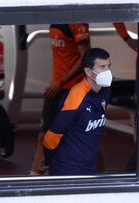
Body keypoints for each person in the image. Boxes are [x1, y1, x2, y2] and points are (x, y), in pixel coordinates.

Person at [30, 23, 91, 175]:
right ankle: (34, 176)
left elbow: (86, 58)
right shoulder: (55, 19)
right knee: (44, 135)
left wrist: (62, 82)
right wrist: (58, 83)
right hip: (56, 88)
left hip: (74, 88)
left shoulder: (77, 22)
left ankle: (99, 178)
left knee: (84, 137)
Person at [43, 48, 112, 175]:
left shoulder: (105, 91)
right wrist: (49, 162)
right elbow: (51, 138)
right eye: (102, 67)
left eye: (109, 66)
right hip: (67, 169)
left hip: (89, 166)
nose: (107, 71)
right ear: (88, 71)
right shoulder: (76, 98)